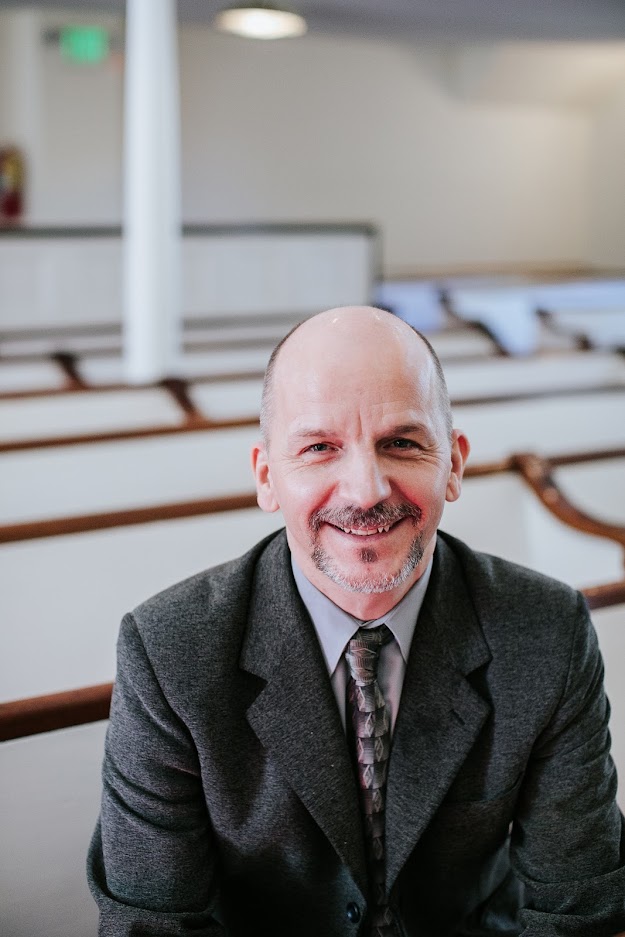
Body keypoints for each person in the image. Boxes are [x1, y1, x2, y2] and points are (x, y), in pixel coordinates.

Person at [88, 306, 625, 936]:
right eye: (319, 448)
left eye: (401, 442)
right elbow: (152, 927)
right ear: (267, 478)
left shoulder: (548, 632)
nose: (365, 491)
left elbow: (579, 913)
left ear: (453, 464)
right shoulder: (168, 654)